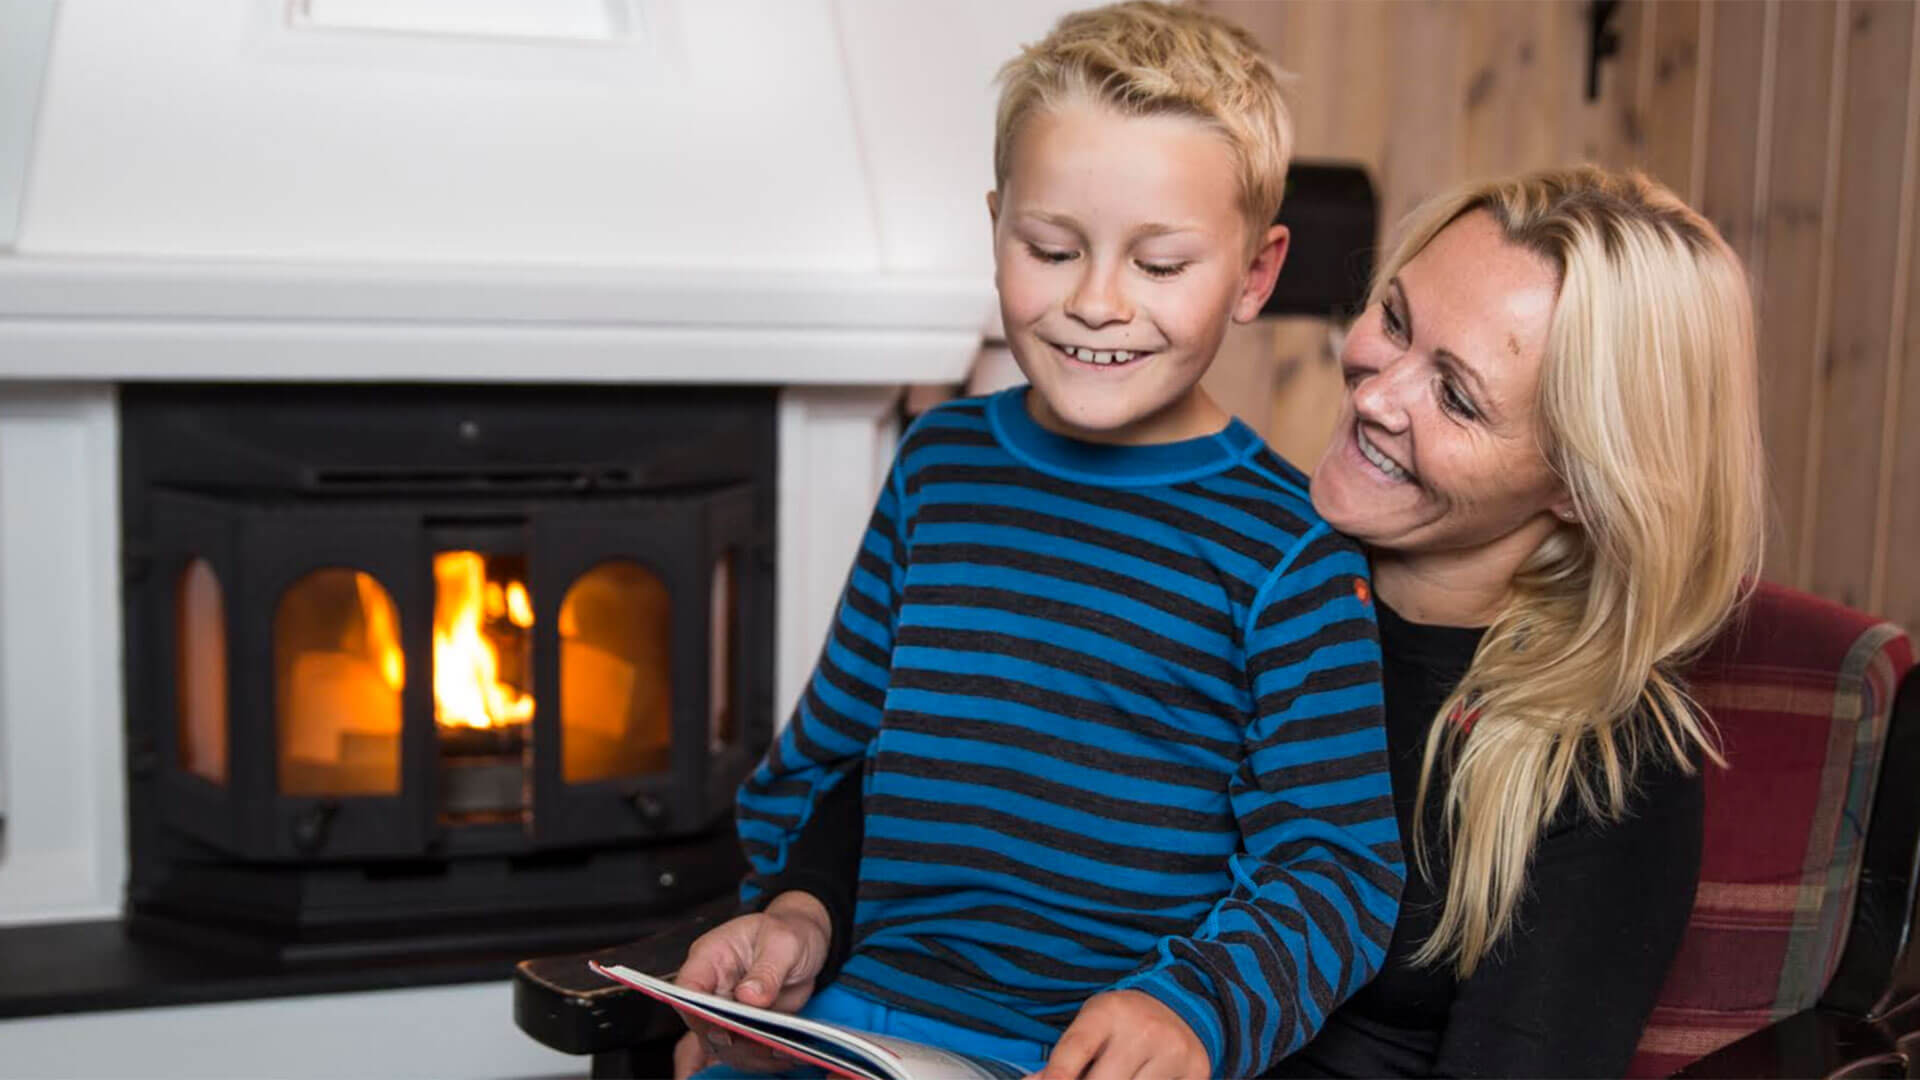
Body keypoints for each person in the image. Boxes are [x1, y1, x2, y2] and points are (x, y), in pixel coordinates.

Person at [681, 164, 1767, 1079]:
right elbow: (955, 770)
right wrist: (805, 914)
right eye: (1393, 320)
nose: (1380, 394)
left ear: (1580, 484)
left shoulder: (1606, 763)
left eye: (1460, 396)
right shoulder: (1227, 567)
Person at [669, 4, 1405, 1078]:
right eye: (1052, 248)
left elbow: (1332, 869)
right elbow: (841, 755)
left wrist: (1193, 1012)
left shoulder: (1290, 549)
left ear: (1255, 274)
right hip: (864, 1017)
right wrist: (797, 920)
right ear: (996, 227)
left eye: (1160, 266)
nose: (1097, 303)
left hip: (1100, 1056)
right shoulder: (938, 466)